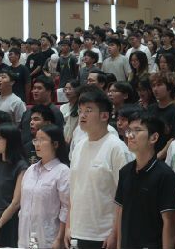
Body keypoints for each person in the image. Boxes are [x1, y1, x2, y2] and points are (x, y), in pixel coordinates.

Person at [67, 87, 132, 249]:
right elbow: (73, 190)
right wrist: (68, 225)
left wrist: (114, 233)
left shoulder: (117, 148)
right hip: (76, 232)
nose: (82, 115)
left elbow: (126, 196)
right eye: (80, 110)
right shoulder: (79, 146)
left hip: (103, 235)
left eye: (89, 110)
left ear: (104, 116)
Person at [115, 111, 175, 249]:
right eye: (129, 131)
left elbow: (169, 222)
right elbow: (120, 213)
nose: (130, 135)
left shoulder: (165, 175)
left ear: (154, 137)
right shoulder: (125, 171)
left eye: (137, 130)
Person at [19, 125, 70, 249]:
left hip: (48, 238)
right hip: (24, 237)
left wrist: (59, 239)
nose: (37, 144)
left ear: (55, 144)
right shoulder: (30, 170)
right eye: (36, 140)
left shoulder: (63, 171)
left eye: (42, 140)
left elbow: (66, 208)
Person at [20, 75, 65, 144]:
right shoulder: (28, 111)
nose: (35, 91)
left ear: (49, 91)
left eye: (39, 88)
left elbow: (58, 138)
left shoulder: (55, 113)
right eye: (34, 88)